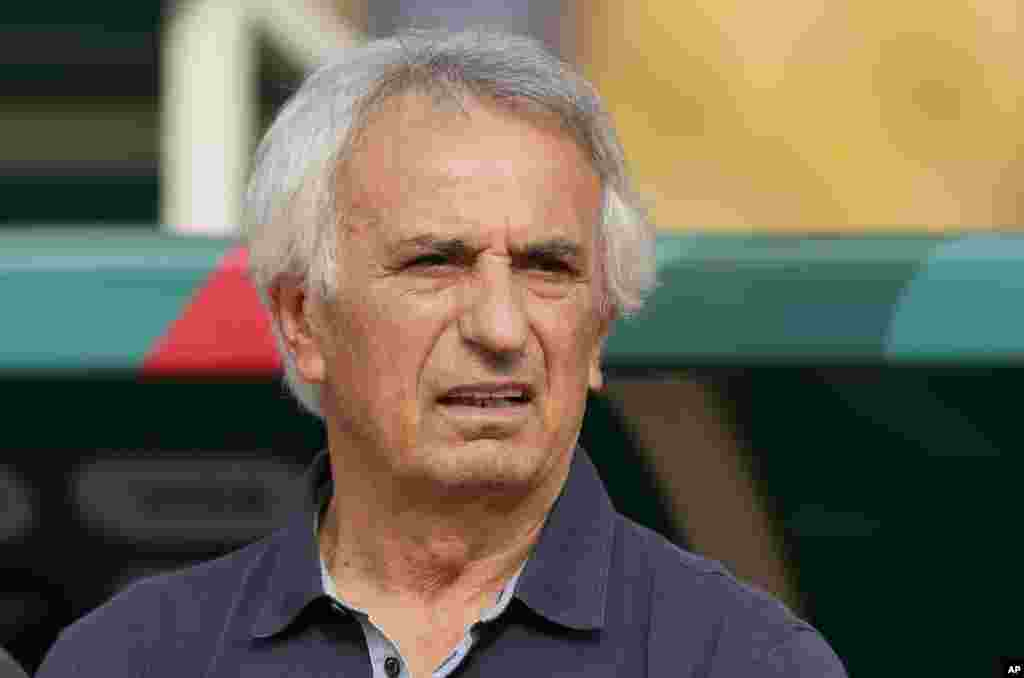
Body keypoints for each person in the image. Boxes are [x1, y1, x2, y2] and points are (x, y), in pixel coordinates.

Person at [37, 28, 847, 677]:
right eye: (436, 262)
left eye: (548, 267)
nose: (499, 327)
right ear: (301, 321)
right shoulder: (134, 659)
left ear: (598, 330)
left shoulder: (743, 661)